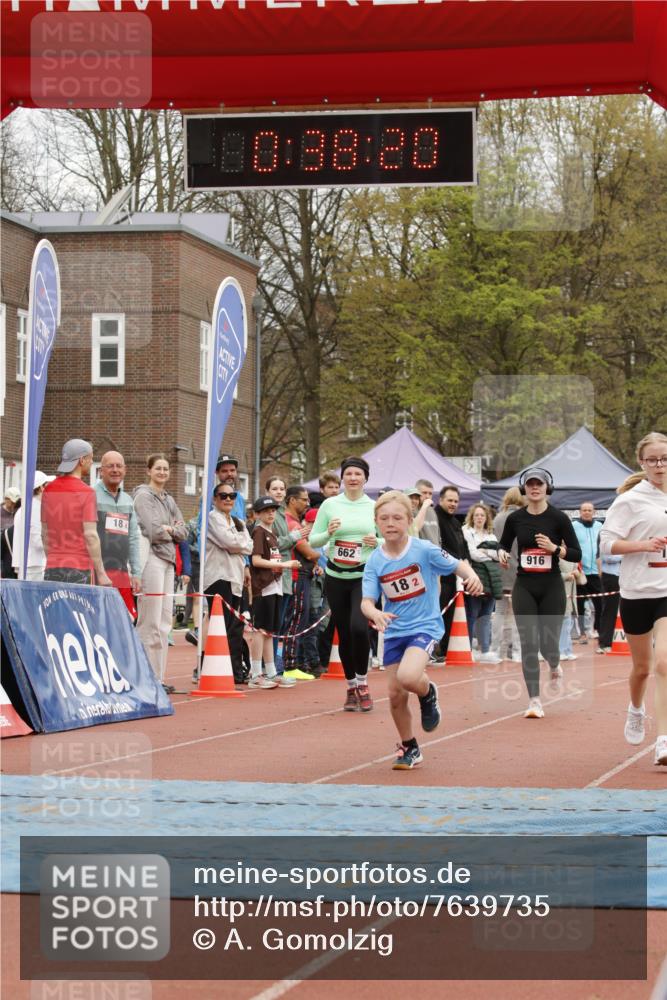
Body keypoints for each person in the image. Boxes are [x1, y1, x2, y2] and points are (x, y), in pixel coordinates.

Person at [361, 491, 483, 769]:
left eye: (397, 518)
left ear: (408, 521)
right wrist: (375, 612)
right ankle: (410, 747)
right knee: (395, 695)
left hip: (424, 627)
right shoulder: (375, 561)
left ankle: (427, 693)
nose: (390, 523)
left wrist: (472, 577)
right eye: (384, 518)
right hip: (393, 631)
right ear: (376, 522)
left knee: (407, 677)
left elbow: (457, 565)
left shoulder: (423, 550)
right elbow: (366, 602)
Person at [599, 432, 667, 766]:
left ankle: (663, 741)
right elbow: (606, 544)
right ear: (641, 462)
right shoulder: (630, 500)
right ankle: (636, 709)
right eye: (653, 459)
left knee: (664, 662)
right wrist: (644, 545)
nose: (660, 465)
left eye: (665, 459)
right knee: (641, 668)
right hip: (638, 590)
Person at [498, 468, 581, 719]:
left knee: (549, 645)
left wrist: (556, 549)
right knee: (529, 642)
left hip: (551, 586)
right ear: (524, 489)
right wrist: (501, 552)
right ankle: (534, 701)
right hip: (524, 585)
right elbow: (504, 542)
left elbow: (577, 554)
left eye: (540, 484)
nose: (535, 488)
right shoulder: (515, 519)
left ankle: (554, 664)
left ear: (547, 488)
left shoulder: (559, 518)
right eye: (531, 484)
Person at [310, 456, 378, 712]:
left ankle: (363, 681)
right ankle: (351, 686)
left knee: (359, 628)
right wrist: (328, 533)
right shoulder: (329, 505)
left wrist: (376, 542)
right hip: (336, 576)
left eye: (357, 474)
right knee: (345, 633)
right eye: (348, 474)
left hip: (364, 575)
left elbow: (390, 538)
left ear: (365, 478)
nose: (352, 478)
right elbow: (315, 541)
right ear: (342, 478)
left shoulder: (374, 506)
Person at [133, 453, 188, 693]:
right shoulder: (143, 496)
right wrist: (170, 530)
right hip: (153, 559)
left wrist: (172, 530)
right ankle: (144, 676)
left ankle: (159, 676)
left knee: (165, 623)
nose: (163, 473)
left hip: (169, 562)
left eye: (166, 469)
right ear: (149, 470)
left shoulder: (169, 499)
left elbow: (184, 531)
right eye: (158, 468)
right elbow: (153, 531)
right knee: (150, 621)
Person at [41, 439, 111, 587]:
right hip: (79, 567)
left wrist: (53, 559)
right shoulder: (87, 492)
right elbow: (90, 535)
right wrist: (101, 573)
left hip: (53, 566)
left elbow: (45, 533)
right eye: (91, 458)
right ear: (82, 460)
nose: (92, 462)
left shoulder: (48, 490)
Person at [203, 481, 254, 684]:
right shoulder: (212, 518)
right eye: (223, 496)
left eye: (231, 496)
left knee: (235, 627)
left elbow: (248, 546)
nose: (227, 499)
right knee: (221, 625)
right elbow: (230, 543)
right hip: (218, 577)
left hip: (235, 576)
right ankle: (213, 668)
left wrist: (239, 545)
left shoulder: (237, 521)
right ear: (215, 499)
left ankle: (234, 669)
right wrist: (240, 544)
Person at [249, 495, 299, 688]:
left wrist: (282, 566)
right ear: (258, 514)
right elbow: (256, 560)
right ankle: (255, 674)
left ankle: (271, 672)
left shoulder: (271, 534)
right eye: (266, 511)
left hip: (275, 586)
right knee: (260, 630)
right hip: (264, 587)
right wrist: (285, 564)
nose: (271, 513)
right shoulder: (259, 532)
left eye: (273, 510)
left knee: (269, 631)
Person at [94, 451, 142, 618]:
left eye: (119, 466)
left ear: (125, 470)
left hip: (121, 572)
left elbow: (134, 538)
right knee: (99, 619)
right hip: (96, 573)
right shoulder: (90, 496)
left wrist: (136, 573)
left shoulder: (128, 501)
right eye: (110, 466)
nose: (115, 470)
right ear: (101, 471)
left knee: (127, 619)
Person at [282, 485, 321, 679]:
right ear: (292, 500)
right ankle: (290, 665)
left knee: (300, 619)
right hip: (297, 576)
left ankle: (292, 663)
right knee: (296, 620)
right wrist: (317, 556)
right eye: (304, 500)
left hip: (301, 575)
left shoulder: (294, 522)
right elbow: (308, 551)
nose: (307, 503)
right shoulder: (291, 523)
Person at [434, 485, 472, 656]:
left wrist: (466, 563)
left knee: (450, 614)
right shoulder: (434, 519)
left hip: (455, 576)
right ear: (440, 500)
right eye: (450, 500)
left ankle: (446, 648)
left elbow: (462, 547)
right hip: (440, 576)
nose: (453, 504)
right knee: (440, 612)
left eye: (456, 501)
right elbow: (437, 547)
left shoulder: (455, 521)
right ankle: (437, 649)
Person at [462, 503, 502, 663]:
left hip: (492, 579)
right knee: (472, 614)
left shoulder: (491, 535)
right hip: (475, 576)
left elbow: (499, 555)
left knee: (486, 615)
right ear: (472, 516)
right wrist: (489, 553)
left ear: (487, 518)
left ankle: (485, 650)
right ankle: (469, 650)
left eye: (482, 515)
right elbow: (473, 553)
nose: (479, 518)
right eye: (476, 515)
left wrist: (486, 552)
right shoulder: (466, 531)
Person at [491, 486, 526, 662]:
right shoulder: (523, 518)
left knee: (499, 611)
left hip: (500, 569)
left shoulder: (497, 518)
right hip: (519, 570)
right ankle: (518, 651)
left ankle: (495, 650)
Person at [11, 472, 54, 580]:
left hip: (30, 565)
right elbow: (39, 542)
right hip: (34, 566)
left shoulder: (27, 507)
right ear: (41, 488)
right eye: (47, 485)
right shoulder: (35, 508)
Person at [572, 501, 603, 643]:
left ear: (594, 512)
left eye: (589, 510)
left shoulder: (599, 526)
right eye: (584, 510)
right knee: (580, 604)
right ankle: (583, 633)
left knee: (600, 602)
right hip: (580, 572)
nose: (586, 512)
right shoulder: (574, 526)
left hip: (596, 572)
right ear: (580, 512)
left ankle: (598, 629)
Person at [597, 548, 622, 654]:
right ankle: (604, 643)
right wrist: (626, 553)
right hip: (611, 577)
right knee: (609, 610)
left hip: (625, 576)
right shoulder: (607, 535)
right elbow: (607, 558)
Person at [1, 486, 21, 579]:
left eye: (15, 502)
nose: (14, 505)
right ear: (6, 499)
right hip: (5, 549)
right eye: (12, 502)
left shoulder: (18, 511)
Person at [415, 478, 441, 546]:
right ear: (417, 493)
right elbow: (414, 529)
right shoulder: (412, 510)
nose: (427, 496)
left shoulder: (432, 511)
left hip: (435, 552)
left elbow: (438, 536)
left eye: (430, 494)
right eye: (424, 493)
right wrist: (424, 507)